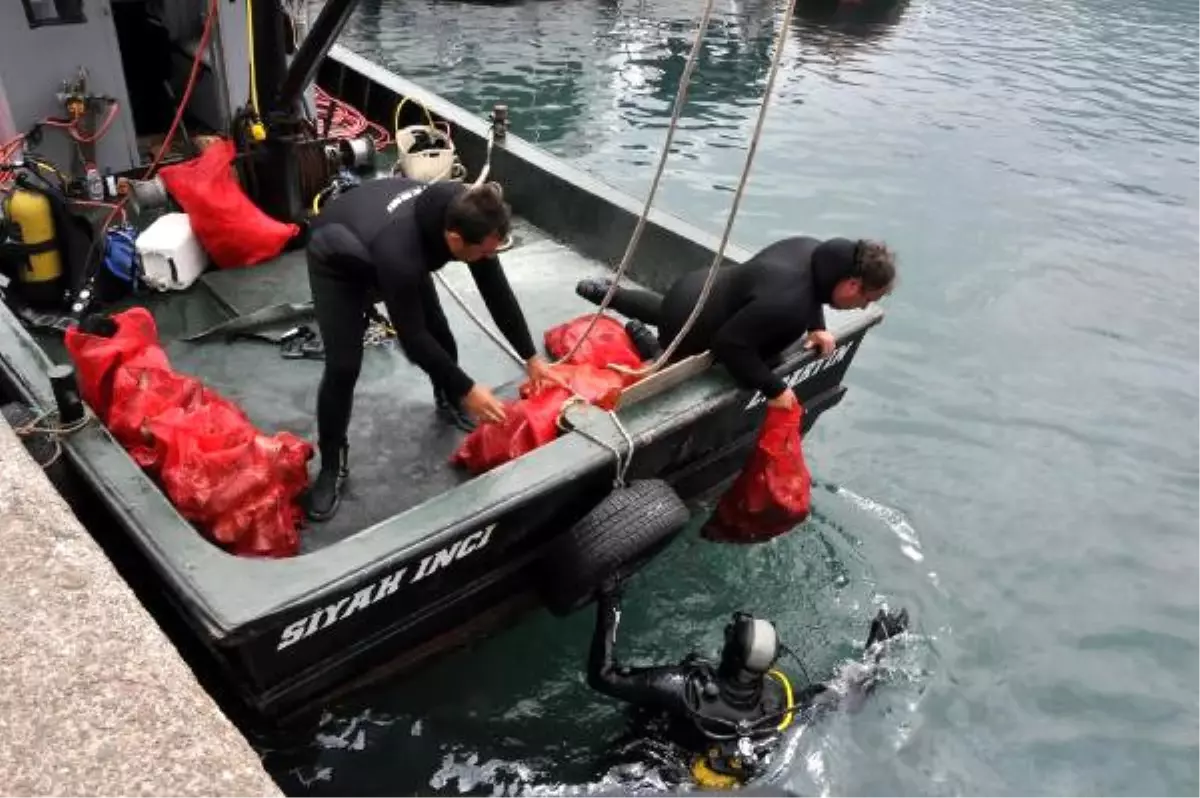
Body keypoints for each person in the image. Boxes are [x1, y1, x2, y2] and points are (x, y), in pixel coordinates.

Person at [303, 176, 556, 521]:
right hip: (337, 259)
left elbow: (496, 291)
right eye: (484, 252)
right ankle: (332, 463)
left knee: (439, 328)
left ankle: (447, 399)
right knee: (344, 367)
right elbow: (412, 337)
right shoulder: (402, 254)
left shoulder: (469, 213)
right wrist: (467, 388)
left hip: (391, 241)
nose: (489, 257)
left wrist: (531, 357)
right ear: (454, 240)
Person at [587, 582, 908, 788]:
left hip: (644, 769)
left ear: (731, 653)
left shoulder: (685, 689)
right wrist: (878, 649)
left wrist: (610, 599)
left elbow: (604, 676)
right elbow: (846, 694)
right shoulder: (780, 704)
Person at [575, 236, 895, 410]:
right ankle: (642, 336)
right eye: (867, 299)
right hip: (691, 325)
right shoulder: (789, 305)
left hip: (698, 288)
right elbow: (729, 345)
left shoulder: (809, 249)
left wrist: (817, 326)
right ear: (852, 284)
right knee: (672, 351)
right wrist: (775, 389)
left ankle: (609, 293)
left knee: (670, 312)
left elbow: (813, 291)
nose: (863, 306)